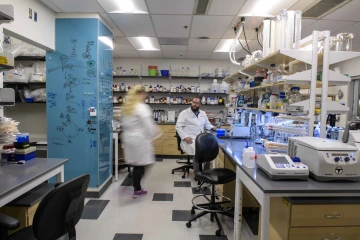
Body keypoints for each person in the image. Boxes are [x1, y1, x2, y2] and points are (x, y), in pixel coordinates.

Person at [121, 85, 162, 198]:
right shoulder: (142, 107)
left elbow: (124, 124)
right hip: (139, 139)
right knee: (143, 164)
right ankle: (137, 189)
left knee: (137, 164)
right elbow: (149, 126)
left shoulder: (127, 106)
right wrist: (156, 135)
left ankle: (136, 186)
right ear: (140, 94)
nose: (145, 96)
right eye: (144, 94)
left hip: (129, 139)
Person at [176, 97, 216, 172]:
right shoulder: (184, 113)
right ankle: (197, 173)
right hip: (189, 139)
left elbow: (207, 125)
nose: (194, 104)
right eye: (193, 102)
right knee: (196, 150)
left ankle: (207, 171)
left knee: (209, 149)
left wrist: (214, 128)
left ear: (200, 104)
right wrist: (185, 137)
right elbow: (178, 127)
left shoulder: (203, 113)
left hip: (200, 138)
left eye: (197, 103)